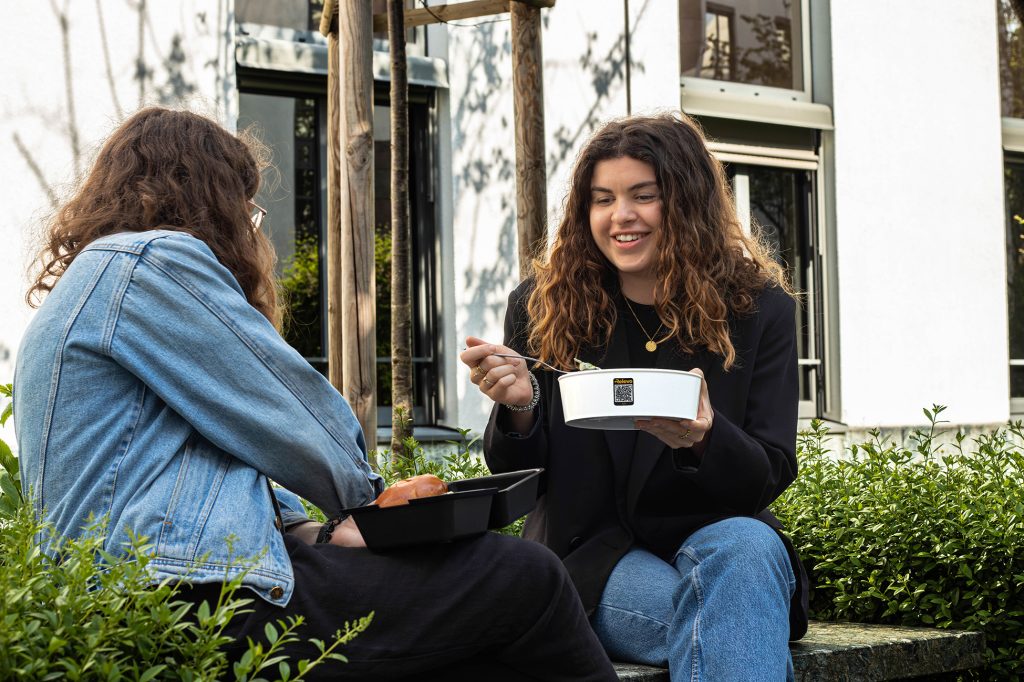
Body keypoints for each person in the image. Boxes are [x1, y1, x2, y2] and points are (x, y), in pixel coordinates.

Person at [14, 106, 618, 682]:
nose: (251, 229)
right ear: (208, 199)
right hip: (195, 598)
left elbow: (197, 470)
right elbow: (288, 409)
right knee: (524, 574)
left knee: (477, 653)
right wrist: (375, 509)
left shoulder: (93, 284)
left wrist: (317, 531)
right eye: (246, 209)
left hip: (137, 595)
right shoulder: (147, 261)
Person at [460, 112, 808, 681]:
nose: (621, 216)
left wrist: (705, 439)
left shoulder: (759, 309)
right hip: (594, 556)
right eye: (603, 199)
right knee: (737, 617)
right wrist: (520, 406)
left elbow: (769, 471)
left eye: (643, 196)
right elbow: (524, 479)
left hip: (718, 538)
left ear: (688, 202)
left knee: (748, 546)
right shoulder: (542, 304)